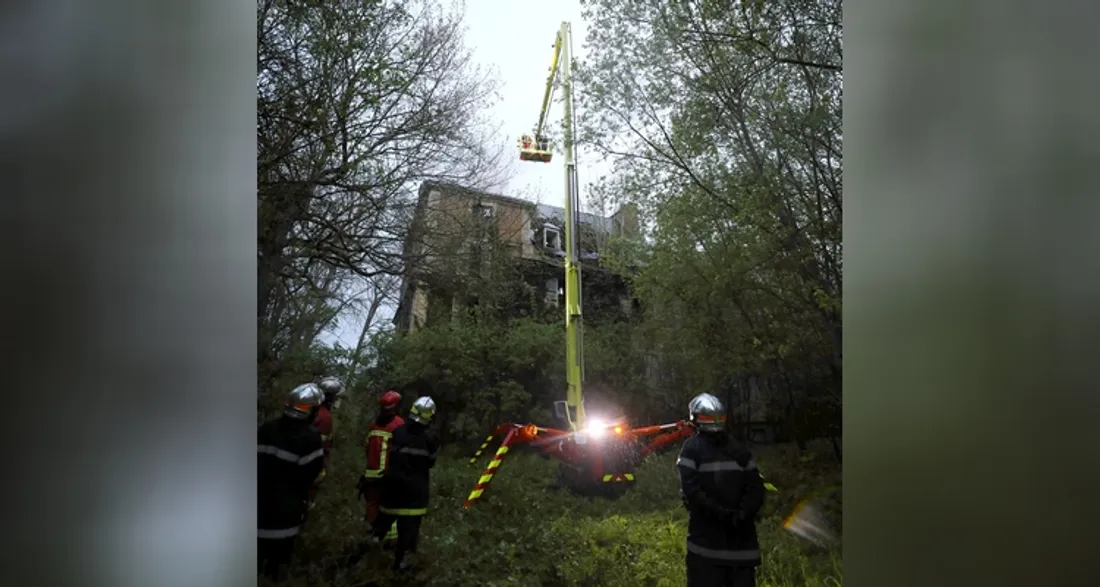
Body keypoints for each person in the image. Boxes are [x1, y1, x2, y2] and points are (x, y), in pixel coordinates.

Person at [676, 393, 766, 587]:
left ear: (696, 419)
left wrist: (722, 514)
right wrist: (741, 515)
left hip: (705, 551)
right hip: (743, 550)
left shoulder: (691, 449)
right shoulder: (740, 450)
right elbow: (757, 490)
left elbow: (692, 493)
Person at [258, 383, 326, 581]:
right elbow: (311, 476)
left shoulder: (266, 429)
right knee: (275, 571)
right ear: (311, 411)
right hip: (284, 516)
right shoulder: (310, 440)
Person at [371, 396, 439, 572]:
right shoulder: (431, 439)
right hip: (415, 494)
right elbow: (430, 462)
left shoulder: (398, 431)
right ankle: (401, 565)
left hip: (392, 489)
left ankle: (365, 557)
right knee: (408, 533)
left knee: (380, 526)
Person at [357, 389, 404, 544]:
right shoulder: (398, 424)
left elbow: (366, 447)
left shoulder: (374, 423)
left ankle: (372, 534)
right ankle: (388, 540)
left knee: (372, 504)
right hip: (387, 474)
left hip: (371, 473)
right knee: (389, 507)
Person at [306, 376, 345, 507]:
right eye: (336, 397)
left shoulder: (312, 410)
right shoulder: (325, 417)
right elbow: (319, 447)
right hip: (310, 470)